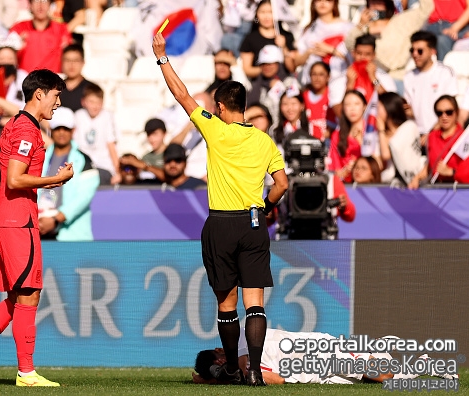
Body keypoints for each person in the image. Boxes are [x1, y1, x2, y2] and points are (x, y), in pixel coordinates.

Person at [153, 31, 288, 386]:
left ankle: (231, 368)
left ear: (221, 107)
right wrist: (268, 208)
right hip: (254, 223)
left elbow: (181, 95)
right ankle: (256, 371)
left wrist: (162, 57)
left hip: (221, 224)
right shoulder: (264, 139)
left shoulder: (216, 130)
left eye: (215, 106)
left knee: (226, 303)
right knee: (255, 303)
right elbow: (282, 185)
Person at [0, 69, 73, 387]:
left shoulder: (20, 125)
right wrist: (55, 180)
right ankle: (26, 372)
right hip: (17, 219)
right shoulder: (25, 131)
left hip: (11, 217)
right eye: (56, 95)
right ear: (40, 93)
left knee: (20, 294)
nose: (57, 102)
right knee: (29, 293)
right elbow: (16, 179)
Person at [192, 328, 456, 385]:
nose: (220, 366)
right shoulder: (246, 372)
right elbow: (277, 381)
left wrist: (218, 379)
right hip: (318, 376)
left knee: (382, 374)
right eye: (216, 368)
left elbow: (241, 366)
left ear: (218, 351)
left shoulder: (239, 339)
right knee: (383, 379)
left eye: (216, 363)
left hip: (321, 352)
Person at [38, 106, 99, 241]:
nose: (61, 133)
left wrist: (55, 220)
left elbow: (83, 198)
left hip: (70, 235)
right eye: (57, 128)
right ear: (50, 130)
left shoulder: (84, 161)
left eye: (66, 129)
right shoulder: (39, 158)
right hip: (39, 230)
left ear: (73, 130)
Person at [345, 0, 434, 89]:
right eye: (372, 2)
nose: (375, 6)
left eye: (379, 3)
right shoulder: (364, 27)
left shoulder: (403, 21)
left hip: (396, 78)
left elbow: (426, 9)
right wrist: (361, 25)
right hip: (370, 78)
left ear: (388, 4)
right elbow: (349, 45)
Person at [404, 31, 458, 137]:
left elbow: (450, 109)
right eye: (412, 50)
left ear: (432, 51)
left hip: (440, 133)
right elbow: (411, 112)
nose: (415, 54)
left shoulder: (445, 72)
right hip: (418, 134)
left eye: (420, 51)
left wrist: (431, 134)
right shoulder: (409, 76)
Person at [409, 95, 469, 188]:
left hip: (457, 190)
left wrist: (451, 171)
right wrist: (417, 178)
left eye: (449, 112)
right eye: (439, 113)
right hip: (435, 189)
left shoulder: (464, 138)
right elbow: (430, 166)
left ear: (456, 112)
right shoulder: (432, 137)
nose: (444, 116)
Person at [331, 34, 397, 117]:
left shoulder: (384, 77)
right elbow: (339, 113)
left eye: (367, 54)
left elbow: (392, 108)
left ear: (374, 56)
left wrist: (374, 80)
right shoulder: (340, 79)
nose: (362, 57)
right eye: (359, 53)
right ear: (353, 53)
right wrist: (349, 86)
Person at [294, 0, 353, 85]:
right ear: (313, 3)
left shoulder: (347, 27)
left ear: (334, 3)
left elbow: (354, 59)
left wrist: (331, 50)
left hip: (338, 82)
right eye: (318, 0)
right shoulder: (308, 30)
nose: (322, 3)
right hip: (312, 85)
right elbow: (297, 62)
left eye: (327, 0)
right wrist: (309, 52)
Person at [73, 82, 121, 185]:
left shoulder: (107, 116)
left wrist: (117, 172)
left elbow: (111, 145)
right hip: (82, 166)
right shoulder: (78, 116)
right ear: (83, 102)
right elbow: (73, 144)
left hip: (103, 167)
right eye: (91, 102)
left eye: (98, 102)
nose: (95, 106)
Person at [239, 0, 297, 79]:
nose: (266, 17)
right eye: (262, 12)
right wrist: (267, 70)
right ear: (256, 14)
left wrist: (284, 48)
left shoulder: (287, 36)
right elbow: (247, 69)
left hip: (284, 82)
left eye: (270, 12)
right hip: (261, 84)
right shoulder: (250, 38)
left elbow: (292, 68)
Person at [9, 0, 71, 73]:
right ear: (30, 5)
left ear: (50, 5)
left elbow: (68, 57)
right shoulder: (19, 28)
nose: (40, 5)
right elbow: (8, 56)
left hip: (52, 79)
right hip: (26, 80)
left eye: (44, 1)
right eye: (36, 1)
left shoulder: (61, 29)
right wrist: (18, 46)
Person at [376, 92, 424, 185]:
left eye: (379, 107)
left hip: (412, 180)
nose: (376, 112)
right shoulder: (379, 133)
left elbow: (386, 155)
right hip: (391, 182)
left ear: (389, 107)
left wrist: (381, 130)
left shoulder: (409, 127)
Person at [246, 45, 287, 134]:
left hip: (282, 132)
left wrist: (280, 89)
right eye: (263, 64)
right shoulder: (254, 86)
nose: (266, 67)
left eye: (270, 63)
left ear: (278, 63)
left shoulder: (288, 83)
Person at [328, 90, 367, 182]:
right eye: (348, 105)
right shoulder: (337, 135)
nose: (352, 108)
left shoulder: (371, 131)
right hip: (345, 185)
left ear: (364, 106)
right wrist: (344, 171)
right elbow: (335, 167)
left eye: (356, 104)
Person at [118, 118, 166, 182]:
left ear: (164, 133)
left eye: (155, 134)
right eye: (148, 134)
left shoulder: (172, 154)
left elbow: (171, 179)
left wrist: (144, 166)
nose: (151, 139)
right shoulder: (146, 157)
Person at [59, 44, 98, 112]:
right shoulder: (56, 89)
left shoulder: (92, 89)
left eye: (76, 60)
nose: (71, 64)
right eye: (67, 60)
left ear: (83, 63)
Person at [303, 61, 336, 141]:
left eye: (321, 74)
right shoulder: (303, 96)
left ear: (328, 77)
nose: (317, 78)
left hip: (328, 143)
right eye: (314, 74)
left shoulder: (333, 95)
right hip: (308, 141)